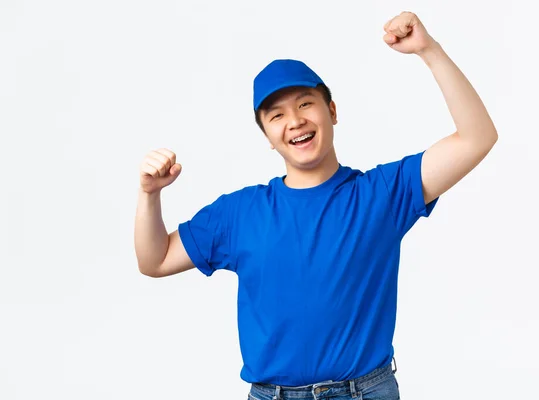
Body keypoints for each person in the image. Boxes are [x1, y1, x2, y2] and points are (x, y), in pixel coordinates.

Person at [134, 11, 497, 400]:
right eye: (276, 115)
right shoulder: (240, 214)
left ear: (333, 112)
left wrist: (429, 50)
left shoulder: (382, 195)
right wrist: (149, 194)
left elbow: (477, 138)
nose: (294, 121)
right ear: (268, 137)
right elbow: (154, 261)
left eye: (306, 103)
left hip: (364, 392)